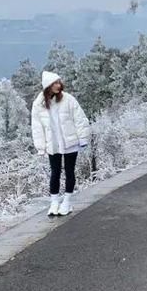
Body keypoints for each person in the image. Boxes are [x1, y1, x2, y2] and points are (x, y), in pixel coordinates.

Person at [31, 71, 91, 217]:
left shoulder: (68, 99)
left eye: (59, 82)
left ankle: (67, 201)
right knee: (55, 172)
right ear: (48, 86)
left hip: (70, 142)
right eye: (54, 83)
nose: (58, 86)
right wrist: (40, 146)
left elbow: (80, 119)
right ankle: (54, 202)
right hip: (53, 145)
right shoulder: (39, 103)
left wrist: (83, 138)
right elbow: (37, 127)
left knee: (69, 171)